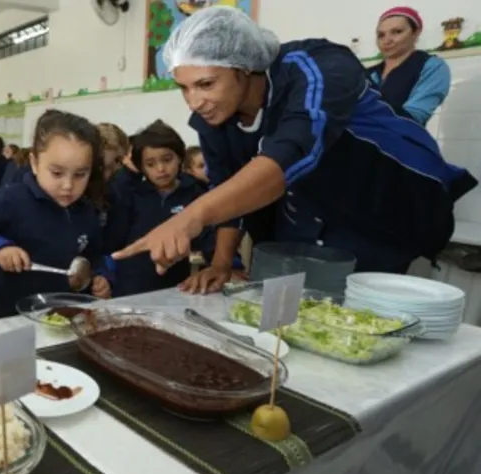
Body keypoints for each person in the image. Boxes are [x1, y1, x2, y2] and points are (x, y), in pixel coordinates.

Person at [113, 6, 476, 290]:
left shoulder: (316, 68)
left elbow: (288, 157)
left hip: (387, 203)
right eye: (184, 87)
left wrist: (187, 218)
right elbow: (228, 192)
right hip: (311, 211)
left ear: (246, 68)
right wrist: (221, 263)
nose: (195, 101)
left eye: (206, 83)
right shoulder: (214, 121)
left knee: (363, 319)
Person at [0, 110, 112, 319]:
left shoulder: (86, 211)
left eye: (80, 174)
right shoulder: (11, 199)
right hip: (7, 319)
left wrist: (100, 276)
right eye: (57, 173)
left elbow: (93, 255)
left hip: (63, 319)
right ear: (35, 163)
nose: (68, 185)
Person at [105, 121, 209, 296]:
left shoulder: (194, 191)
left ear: (180, 157)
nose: (161, 169)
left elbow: (209, 235)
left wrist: (227, 264)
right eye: (150, 164)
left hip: (176, 288)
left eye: (167, 159)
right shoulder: (131, 193)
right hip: (130, 289)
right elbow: (113, 238)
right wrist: (128, 173)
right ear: (141, 167)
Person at [367, 7, 451, 125]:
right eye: (381, 35)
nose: (387, 40)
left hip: (402, 141)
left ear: (416, 32)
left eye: (397, 32)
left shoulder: (431, 66)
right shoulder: (369, 73)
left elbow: (414, 116)